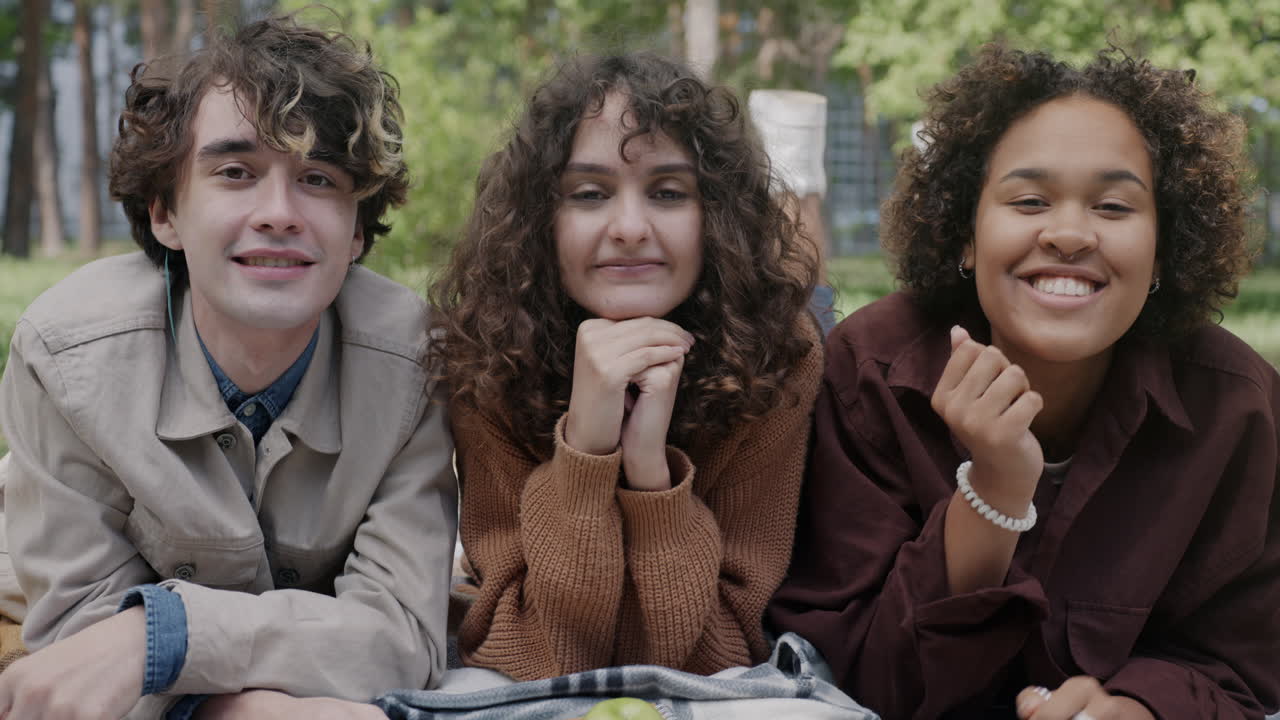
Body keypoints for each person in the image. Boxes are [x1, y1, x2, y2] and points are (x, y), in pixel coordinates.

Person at [768, 46, 1279, 719]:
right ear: (965, 235)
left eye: (1115, 207)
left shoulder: (1236, 407)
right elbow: (857, 678)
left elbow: (1246, 662)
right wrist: (995, 490)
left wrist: (1141, 709)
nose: (1069, 234)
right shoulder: (872, 376)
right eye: (1030, 200)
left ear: (1164, 249)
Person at [0, 15, 457, 719]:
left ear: (357, 227)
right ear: (165, 213)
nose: (279, 213)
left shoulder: (413, 365)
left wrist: (163, 635)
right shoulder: (65, 356)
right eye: (236, 172)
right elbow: (80, 652)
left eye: (318, 178)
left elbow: (400, 638)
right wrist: (236, 710)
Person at [430, 51, 822, 681]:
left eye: (668, 193)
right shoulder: (488, 356)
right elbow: (532, 652)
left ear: (715, 216)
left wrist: (649, 473)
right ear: (541, 220)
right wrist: (585, 451)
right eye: (589, 194)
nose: (631, 227)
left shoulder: (780, 356)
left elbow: (718, 650)